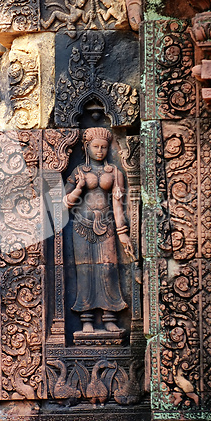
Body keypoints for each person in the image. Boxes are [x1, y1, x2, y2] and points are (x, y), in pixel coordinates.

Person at [64, 127, 134, 333]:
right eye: (96, 147)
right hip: (82, 227)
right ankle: (86, 319)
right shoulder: (78, 172)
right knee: (85, 271)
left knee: (108, 269)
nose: (100, 151)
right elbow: (64, 203)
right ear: (87, 147)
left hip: (107, 226)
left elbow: (117, 204)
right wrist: (78, 187)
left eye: (104, 147)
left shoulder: (114, 172)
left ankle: (109, 316)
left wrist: (123, 233)